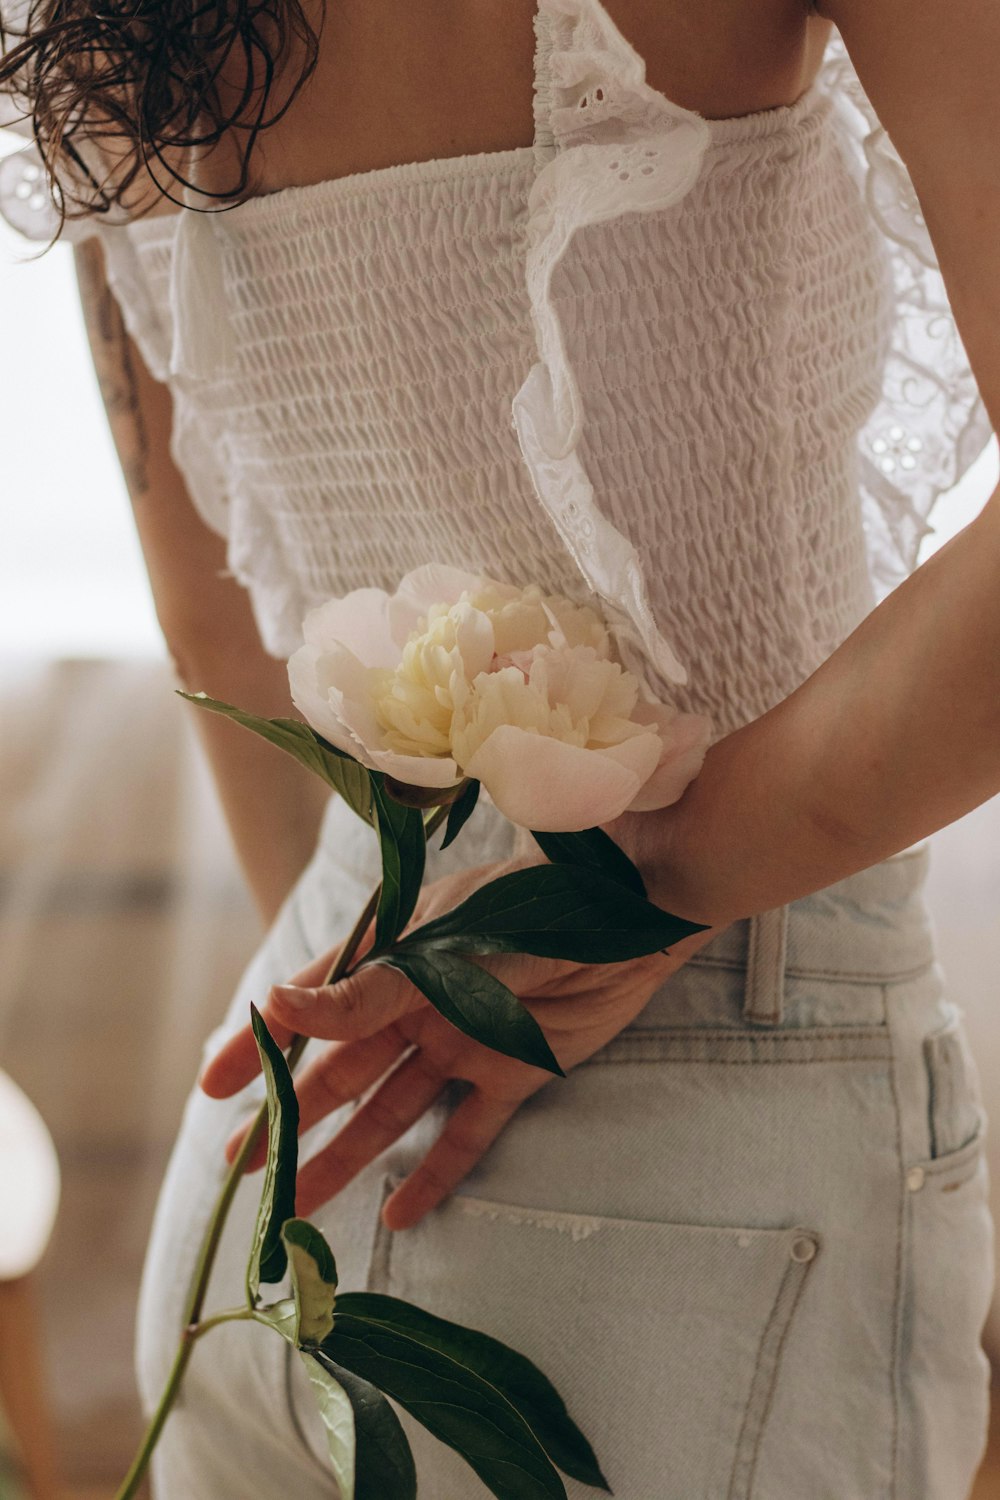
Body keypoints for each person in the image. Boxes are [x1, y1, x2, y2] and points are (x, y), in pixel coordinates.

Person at [1, 0, 997, 1494]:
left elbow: (216, 620)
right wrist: (641, 887)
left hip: (287, 1150)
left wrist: (380, 1005)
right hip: (686, 1176)